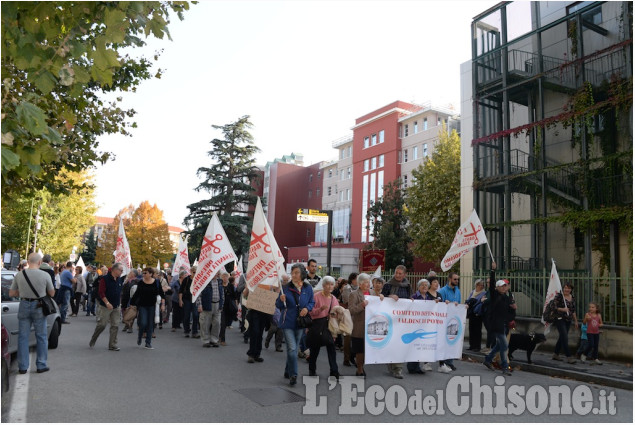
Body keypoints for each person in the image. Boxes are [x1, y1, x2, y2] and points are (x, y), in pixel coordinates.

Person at [9, 253, 55, 374]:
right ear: (40, 262)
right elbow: (52, 293)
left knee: (23, 337)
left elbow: (11, 293)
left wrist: (23, 292)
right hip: (39, 306)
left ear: (28, 262)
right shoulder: (45, 275)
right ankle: (41, 364)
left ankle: (23, 367)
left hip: (24, 305)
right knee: (41, 336)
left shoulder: (19, 275)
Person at [276, 263, 315, 386]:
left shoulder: (308, 288)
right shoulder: (286, 288)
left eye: (296, 272)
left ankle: (288, 370)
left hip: (301, 323)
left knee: (293, 349)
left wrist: (307, 309)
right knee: (292, 349)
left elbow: (312, 302)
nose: (294, 275)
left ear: (302, 274)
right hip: (288, 322)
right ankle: (294, 374)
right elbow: (279, 305)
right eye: (292, 273)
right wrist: (280, 300)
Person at [483, 262, 516, 376]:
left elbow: (509, 312)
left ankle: (488, 359)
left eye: (504, 286)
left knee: (499, 345)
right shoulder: (494, 294)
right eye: (501, 286)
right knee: (504, 345)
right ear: (497, 287)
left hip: (504, 324)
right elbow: (491, 284)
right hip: (495, 324)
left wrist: (513, 312)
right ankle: (505, 367)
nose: (503, 287)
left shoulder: (506, 298)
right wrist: (493, 271)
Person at [381, 265, 411, 379]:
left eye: (400, 273)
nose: (397, 275)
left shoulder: (407, 286)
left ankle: (398, 369)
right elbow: (381, 298)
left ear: (405, 275)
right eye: (396, 273)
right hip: (391, 319)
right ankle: (390, 363)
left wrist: (411, 300)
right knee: (391, 343)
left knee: (400, 344)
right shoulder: (388, 285)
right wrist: (389, 296)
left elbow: (409, 297)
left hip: (402, 321)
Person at [307, 276, 340, 379]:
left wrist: (335, 315)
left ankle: (334, 371)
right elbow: (310, 312)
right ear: (323, 285)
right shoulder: (316, 296)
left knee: (331, 348)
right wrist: (320, 309)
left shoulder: (334, 298)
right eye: (327, 284)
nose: (330, 286)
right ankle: (312, 370)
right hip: (317, 325)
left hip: (328, 326)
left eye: (332, 284)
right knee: (314, 349)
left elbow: (337, 313)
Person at [89, 263, 125, 351]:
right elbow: (101, 292)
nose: (122, 272)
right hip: (105, 306)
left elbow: (119, 292)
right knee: (102, 324)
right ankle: (94, 338)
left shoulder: (120, 279)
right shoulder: (104, 279)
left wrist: (119, 303)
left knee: (115, 325)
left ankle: (112, 344)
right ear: (115, 270)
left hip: (116, 306)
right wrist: (107, 303)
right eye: (121, 270)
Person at [349, 273, 376, 377]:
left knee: (367, 349)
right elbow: (351, 310)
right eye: (365, 282)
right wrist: (362, 305)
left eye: (368, 281)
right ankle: (359, 368)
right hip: (359, 326)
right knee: (360, 349)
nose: (368, 284)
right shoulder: (354, 294)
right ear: (360, 284)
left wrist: (381, 297)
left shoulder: (373, 293)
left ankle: (361, 365)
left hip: (371, 325)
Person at [242, 283, 276, 363]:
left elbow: (274, 294)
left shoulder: (269, 282)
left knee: (260, 333)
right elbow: (245, 294)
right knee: (255, 331)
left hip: (264, 311)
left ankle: (257, 354)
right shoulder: (254, 282)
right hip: (254, 311)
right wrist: (247, 288)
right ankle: (251, 354)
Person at [130, 267, 163, 349]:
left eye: (145, 273)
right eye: (143, 273)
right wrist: (131, 303)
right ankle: (140, 335)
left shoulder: (156, 282)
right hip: (142, 305)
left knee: (150, 324)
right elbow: (137, 293)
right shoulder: (141, 282)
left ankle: (148, 343)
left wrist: (162, 304)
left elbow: (161, 294)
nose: (143, 274)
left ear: (151, 274)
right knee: (143, 323)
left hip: (152, 306)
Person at [438, 271, 461, 373]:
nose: (457, 281)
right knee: (444, 341)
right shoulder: (443, 290)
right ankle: (443, 362)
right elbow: (440, 304)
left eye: (457, 279)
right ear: (450, 279)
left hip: (454, 319)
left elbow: (459, 304)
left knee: (452, 340)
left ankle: (450, 362)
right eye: (455, 279)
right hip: (445, 320)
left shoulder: (458, 291)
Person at [552, 283, 578, 364]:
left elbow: (573, 310)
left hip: (568, 319)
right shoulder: (559, 296)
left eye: (569, 288)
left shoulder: (572, 298)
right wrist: (562, 309)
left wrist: (576, 321)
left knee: (562, 337)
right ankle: (569, 356)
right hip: (559, 319)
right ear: (563, 288)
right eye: (565, 288)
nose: (567, 290)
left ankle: (555, 354)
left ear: (571, 289)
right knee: (565, 337)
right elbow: (553, 307)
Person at [197, 272, 224, 348]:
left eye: (216, 273)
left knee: (217, 323)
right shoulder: (204, 281)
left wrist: (222, 304)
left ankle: (214, 340)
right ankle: (206, 340)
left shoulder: (219, 282)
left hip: (217, 304)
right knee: (205, 323)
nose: (215, 274)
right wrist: (199, 305)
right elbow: (199, 294)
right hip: (207, 304)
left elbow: (222, 294)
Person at [340, 272, 358, 367]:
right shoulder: (347, 288)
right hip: (348, 316)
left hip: (357, 316)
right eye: (357, 279)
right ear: (352, 280)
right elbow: (347, 301)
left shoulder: (359, 289)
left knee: (356, 338)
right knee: (348, 338)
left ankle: (353, 355)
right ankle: (346, 358)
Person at [467, 279, 486, 351]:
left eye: (482, 285)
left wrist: (475, 301)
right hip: (471, 312)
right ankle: (471, 345)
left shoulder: (484, 293)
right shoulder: (472, 292)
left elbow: (481, 302)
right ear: (476, 285)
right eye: (480, 285)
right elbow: (469, 300)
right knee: (471, 329)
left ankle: (477, 346)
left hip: (478, 313)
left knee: (477, 330)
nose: (481, 286)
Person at [179, 270, 199, 338]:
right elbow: (181, 290)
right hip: (186, 299)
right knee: (187, 315)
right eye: (194, 272)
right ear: (191, 272)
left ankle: (194, 331)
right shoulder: (186, 279)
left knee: (196, 315)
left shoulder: (199, 280)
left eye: (196, 272)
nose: (195, 273)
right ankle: (186, 330)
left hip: (195, 300)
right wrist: (180, 300)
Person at [219, 272, 237, 345]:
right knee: (222, 323)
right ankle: (222, 340)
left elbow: (235, 296)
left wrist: (236, 304)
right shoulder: (219, 285)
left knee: (226, 323)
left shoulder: (231, 286)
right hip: (221, 306)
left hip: (229, 307)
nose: (225, 278)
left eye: (226, 277)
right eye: (223, 277)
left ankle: (220, 336)